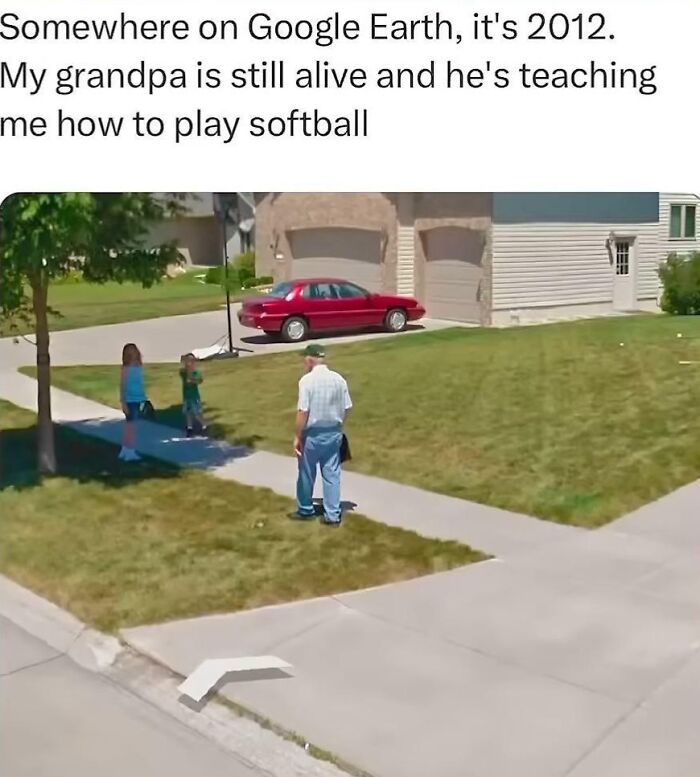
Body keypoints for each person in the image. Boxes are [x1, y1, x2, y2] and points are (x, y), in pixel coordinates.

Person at [294, 343, 352, 526]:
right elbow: (347, 407)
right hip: (333, 432)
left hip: (312, 434)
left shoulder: (306, 381)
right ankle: (332, 514)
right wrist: (338, 423)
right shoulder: (339, 379)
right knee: (332, 473)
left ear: (310, 359)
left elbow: (303, 411)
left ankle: (305, 509)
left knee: (306, 472)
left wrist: (297, 436)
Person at [119, 343, 147, 461]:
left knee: (131, 425)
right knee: (131, 426)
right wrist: (123, 402)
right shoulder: (126, 369)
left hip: (138, 399)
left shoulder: (139, 367)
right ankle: (129, 450)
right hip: (130, 400)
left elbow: (140, 383)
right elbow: (123, 386)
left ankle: (125, 449)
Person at [179, 353, 207, 437]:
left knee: (197, 412)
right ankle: (189, 427)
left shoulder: (196, 372)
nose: (189, 362)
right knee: (188, 413)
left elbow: (200, 381)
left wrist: (192, 379)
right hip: (186, 396)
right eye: (188, 360)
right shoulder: (183, 372)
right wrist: (187, 367)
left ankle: (204, 425)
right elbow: (183, 373)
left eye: (191, 361)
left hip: (194, 396)